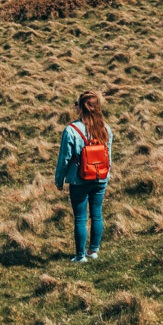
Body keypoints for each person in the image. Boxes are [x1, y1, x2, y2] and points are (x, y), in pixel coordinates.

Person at [55, 91, 113, 264]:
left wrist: (60, 179)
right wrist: (106, 174)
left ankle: (80, 255)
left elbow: (64, 158)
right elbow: (108, 154)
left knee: (80, 217)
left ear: (81, 108)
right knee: (96, 214)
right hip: (101, 178)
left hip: (79, 179)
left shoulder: (71, 130)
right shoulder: (106, 128)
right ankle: (93, 250)